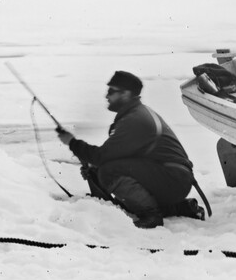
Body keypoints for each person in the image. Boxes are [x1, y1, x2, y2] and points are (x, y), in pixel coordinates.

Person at [56, 71, 202, 229]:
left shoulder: (134, 120)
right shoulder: (136, 113)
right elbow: (117, 155)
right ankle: (179, 207)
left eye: (111, 91)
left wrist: (72, 143)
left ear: (126, 94)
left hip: (173, 180)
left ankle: (151, 214)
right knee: (103, 169)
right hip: (175, 179)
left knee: (108, 172)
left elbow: (102, 157)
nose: (106, 96)